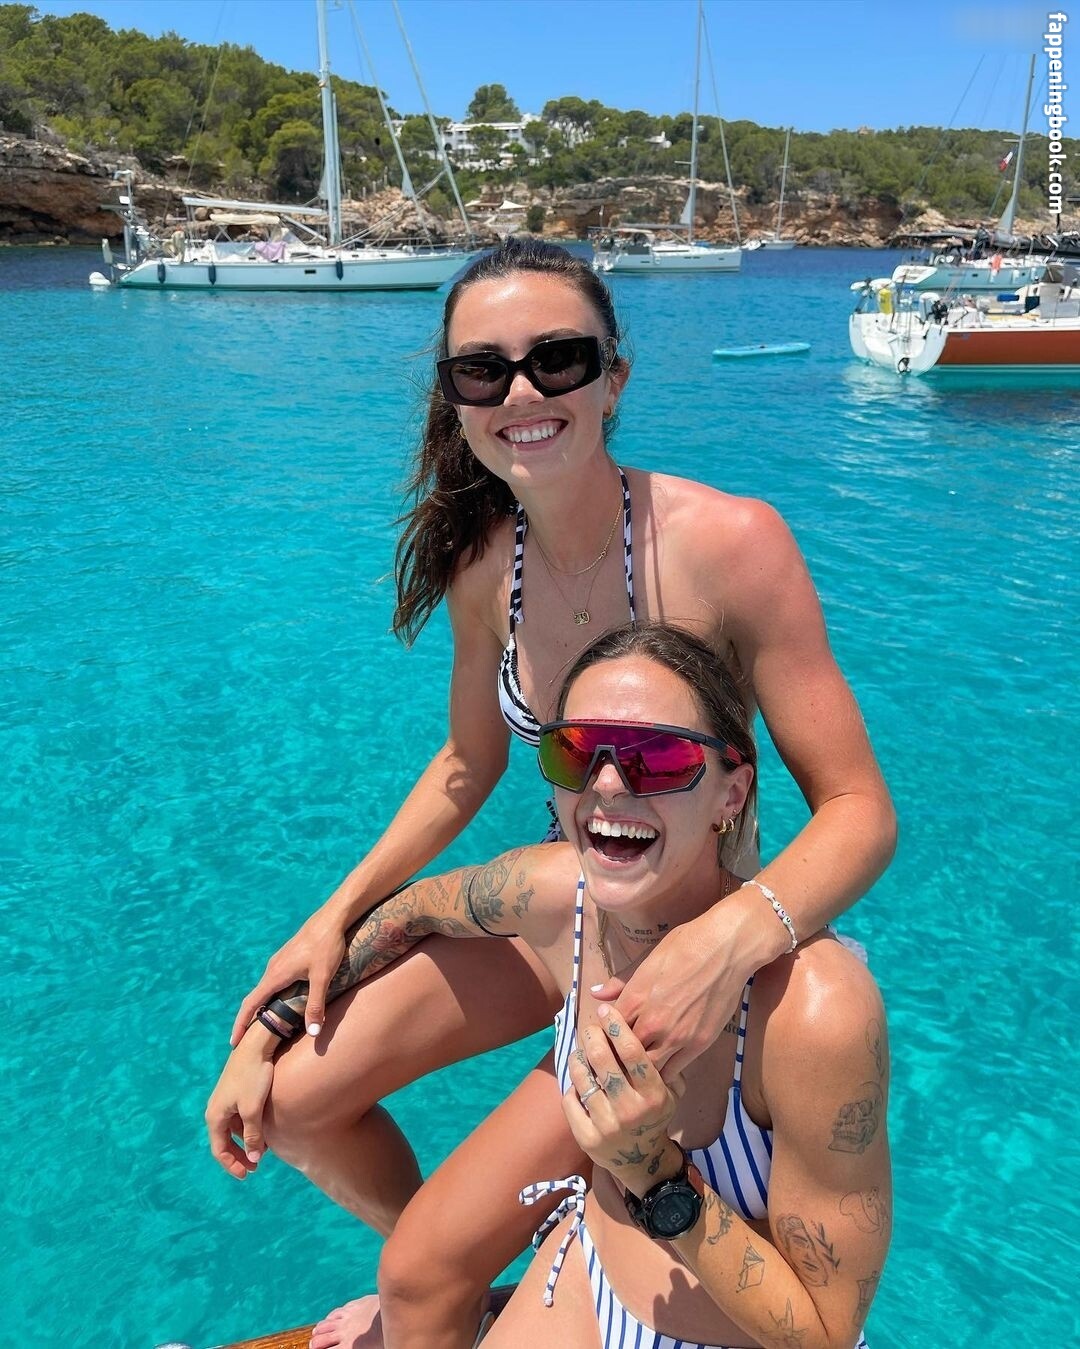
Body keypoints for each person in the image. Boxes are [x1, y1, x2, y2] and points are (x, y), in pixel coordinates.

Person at [206, 239, 896, 1346]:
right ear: (456, 398)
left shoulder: (730, 543)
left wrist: (720, 948)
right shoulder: (489, 563)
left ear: (613, 377)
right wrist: (331, 917)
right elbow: (465, 766)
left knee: (443, 1259)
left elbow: (860, 808)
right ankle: (491, 1272)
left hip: (685, 934)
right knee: (293, 1101)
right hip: (565, 915)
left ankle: (510, 1267)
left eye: (558, 359)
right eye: (484, 370)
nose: (521, 393)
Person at [216, 623, 892, 1349]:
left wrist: (651, 1170)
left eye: (658, 757)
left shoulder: (814, 1008)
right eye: (575, 751)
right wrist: (269, 1028)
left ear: (732, 792)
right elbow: (414, 912)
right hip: (587, 1281)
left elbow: (825, 1334)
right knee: (412, 1281)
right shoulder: (561, 896)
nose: (608, 783)